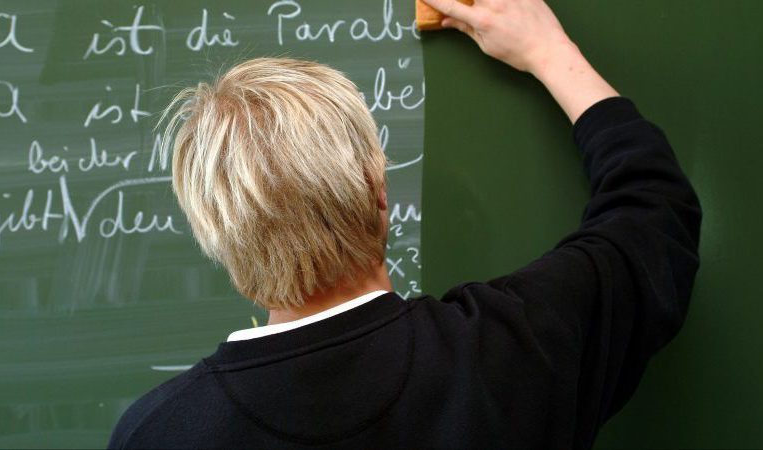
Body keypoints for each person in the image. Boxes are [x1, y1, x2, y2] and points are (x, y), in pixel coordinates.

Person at [108, 0, 702, 448]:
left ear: (216, 235)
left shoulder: (158, 433)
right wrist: (548, 51)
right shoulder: (508, 356)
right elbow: (655, 211)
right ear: (378, 190)